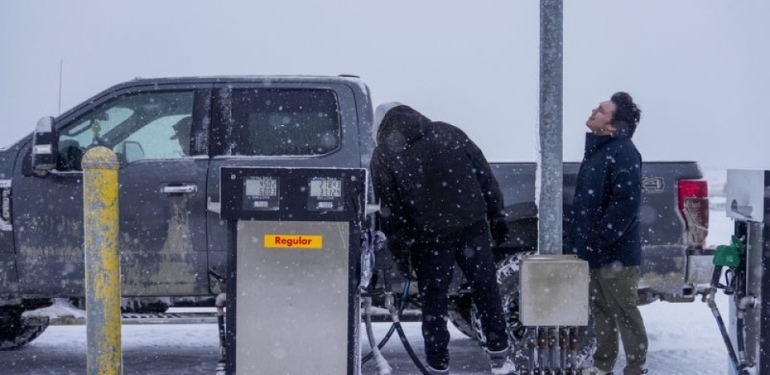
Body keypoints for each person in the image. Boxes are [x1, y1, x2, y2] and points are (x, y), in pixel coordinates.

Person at [370, 102, 514, 375]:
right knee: (486, 289)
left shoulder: (383, 155)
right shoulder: (448, 131)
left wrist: (402, 258)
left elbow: (392, 214)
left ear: (381, 127)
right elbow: (485, 175)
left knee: (434, 303)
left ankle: (437, 365)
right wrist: (497, 215)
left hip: (429, 239)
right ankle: (499, 357)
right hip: (471, 227)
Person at [566, 92, 648, 375]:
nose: (593, 111)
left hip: (617, 253)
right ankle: (603, 366)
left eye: (601, 110)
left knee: (624, 311)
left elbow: (625, 204)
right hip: (598, 251)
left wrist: (599, 239)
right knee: (601, 309)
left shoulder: (623, 151)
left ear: (612, 125)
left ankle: (636, 368)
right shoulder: (599, 152)